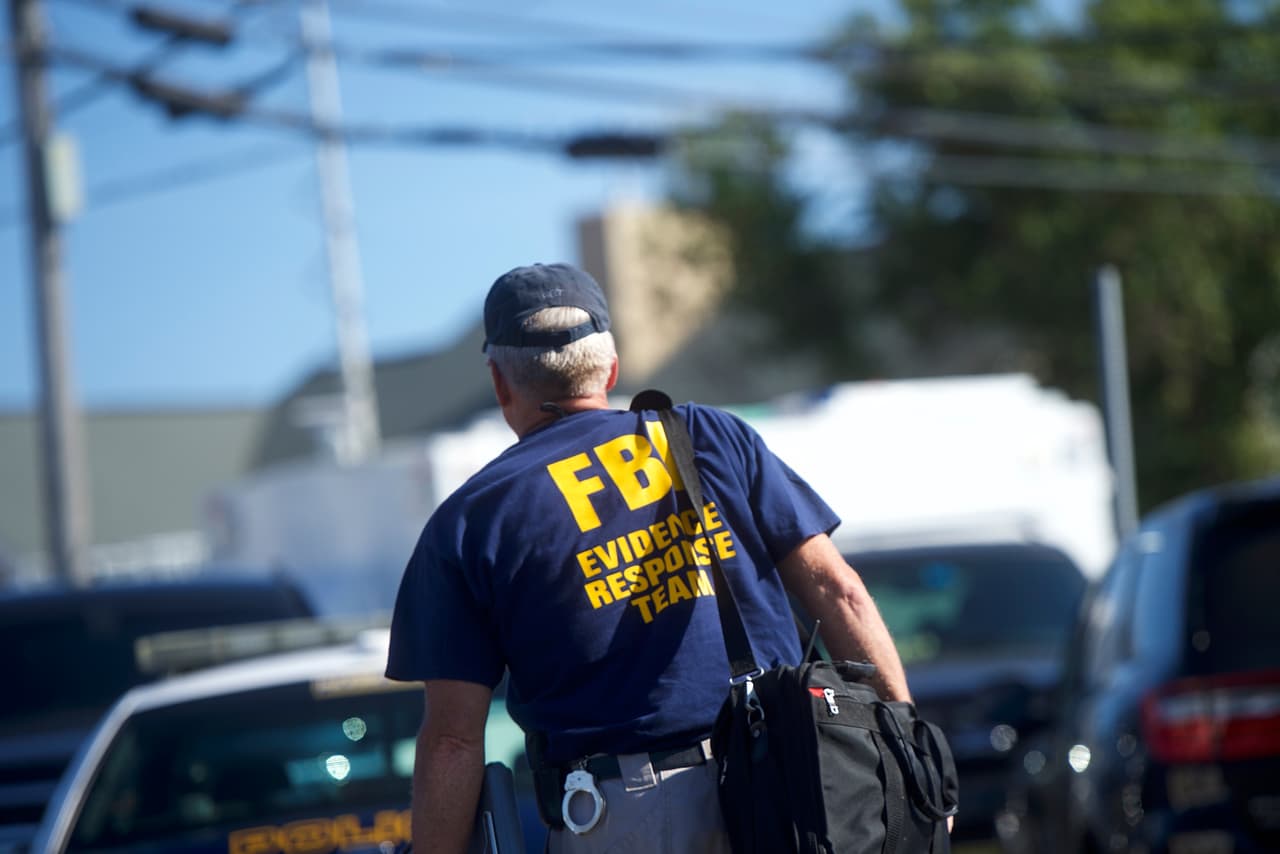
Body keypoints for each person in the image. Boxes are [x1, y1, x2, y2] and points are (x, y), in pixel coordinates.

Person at [385, 262, 911, 854]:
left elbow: (453, 741)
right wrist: (910, 759)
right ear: (609, 367)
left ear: (501, 383)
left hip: (628, 816)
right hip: (796, 789)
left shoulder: (472, 518)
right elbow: (839, 592)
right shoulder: (712, 436)